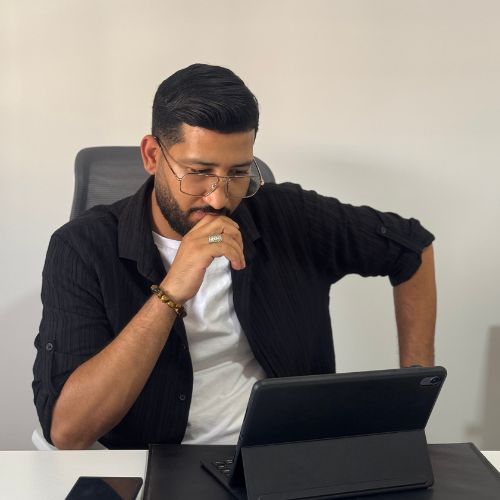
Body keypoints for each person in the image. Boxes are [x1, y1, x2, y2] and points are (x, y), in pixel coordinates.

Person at [33, 63, 436, 450]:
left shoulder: (288, 216)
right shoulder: (82, 247)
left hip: (281, 459)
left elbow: (412, 247)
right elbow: (69, 433)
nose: (219, 198)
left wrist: (410, 403)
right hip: (150, 463)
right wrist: (170, 293)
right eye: (199, 172)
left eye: (239, 173)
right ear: (153, 156)